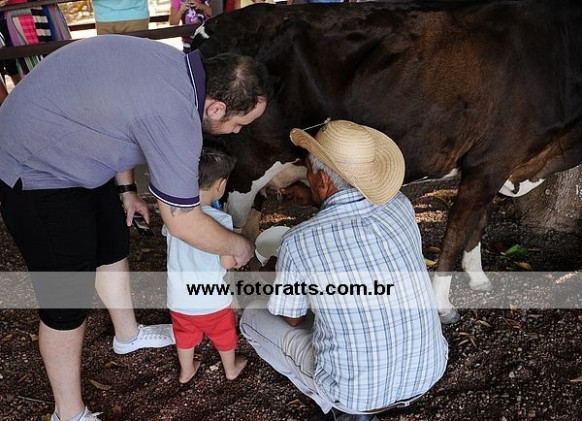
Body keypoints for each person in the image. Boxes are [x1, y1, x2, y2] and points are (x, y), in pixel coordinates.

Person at [0, 35, 268, 421]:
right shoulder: (177, 118)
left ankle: (127, 336)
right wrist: (238, 245)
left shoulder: (174, 67)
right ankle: (68, 413)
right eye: (239, 124)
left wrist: (126, 190)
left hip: (70, 146)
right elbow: (182, 221)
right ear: (216, 108)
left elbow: (120, 116)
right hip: (32, 169)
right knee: (65, 297)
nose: (238, 132)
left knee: (112, 243)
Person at [241, 120, 448, 421]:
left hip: (354, 393)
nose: (307, 178)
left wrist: (275, 275)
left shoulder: (299, 242)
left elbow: (292, 318)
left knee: (251, 317)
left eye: (309, 172)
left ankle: (345, 410)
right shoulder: (400, 204)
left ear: (324, 181)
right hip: (428, 370)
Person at [164, 147, 247, 384]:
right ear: (221, 185)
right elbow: (226, 262)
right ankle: (230, 368)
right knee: (224, 333)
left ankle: (186, 370)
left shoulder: (174, 216)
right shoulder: (222, 220)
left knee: (184, 335)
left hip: (179, 299)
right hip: (212, 299)